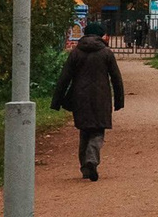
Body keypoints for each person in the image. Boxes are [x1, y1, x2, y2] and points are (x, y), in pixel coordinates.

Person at [48, 20, 126, 181]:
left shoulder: (76, 52)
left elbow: (64, 78)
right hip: (101, 98)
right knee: (98, 130)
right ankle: (92, 159)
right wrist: (119, 100)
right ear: (100, 35)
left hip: (80, 97)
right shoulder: (106, 53)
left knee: (84, 131)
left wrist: (56, 101)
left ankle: (85, 168)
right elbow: (116, 78)